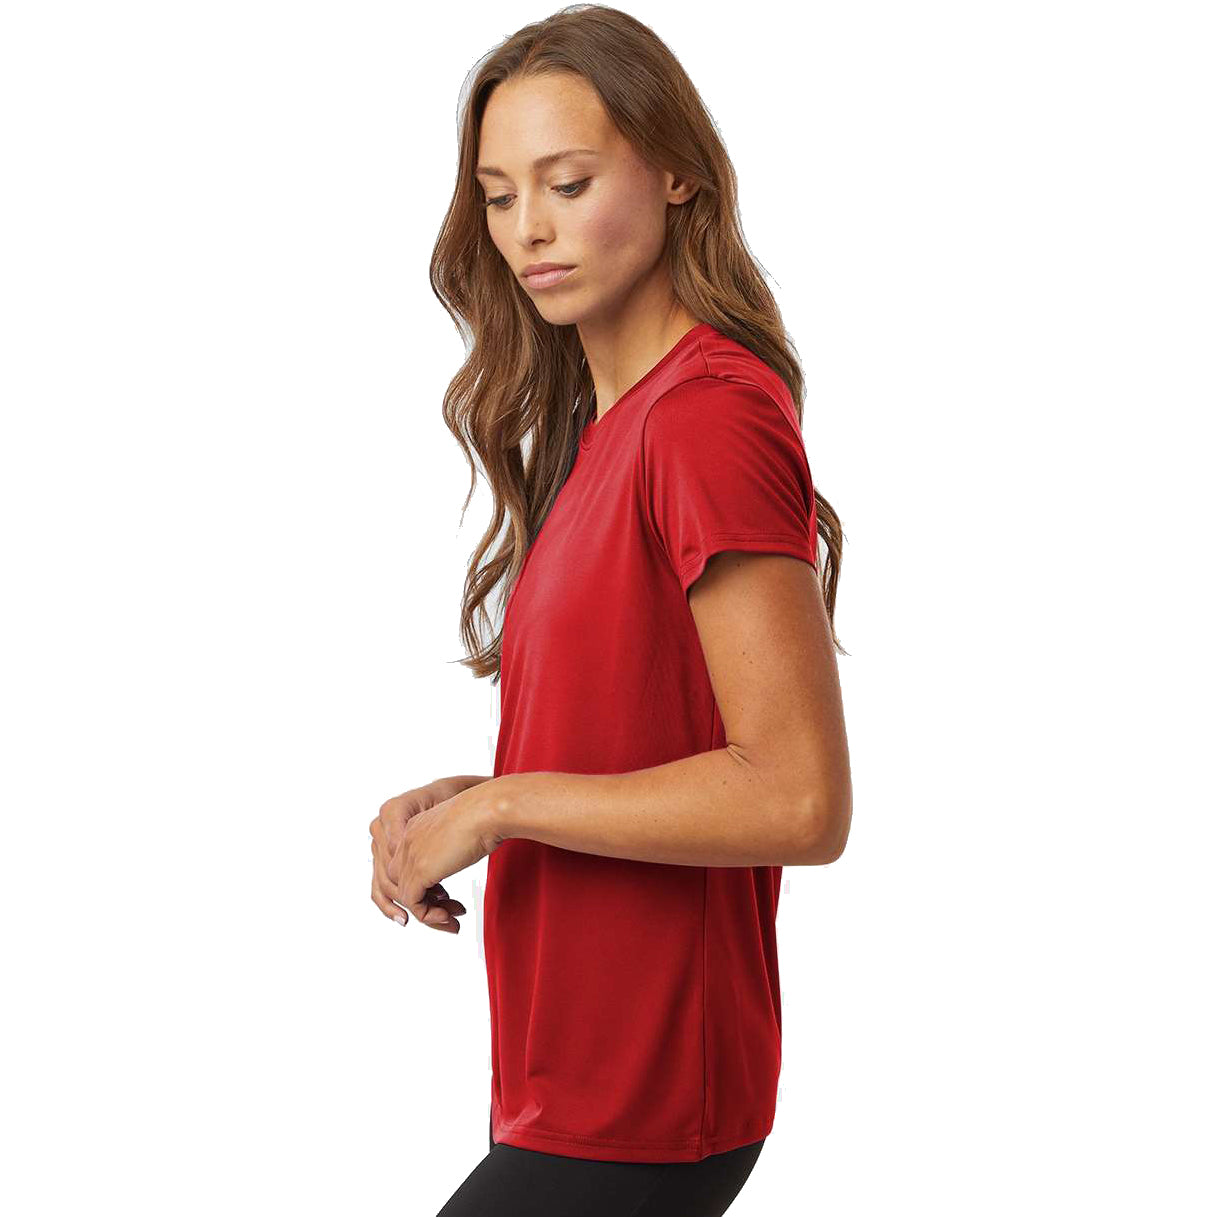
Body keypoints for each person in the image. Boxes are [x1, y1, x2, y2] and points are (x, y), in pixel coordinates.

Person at [367, 6, 852, 1215]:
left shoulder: (704, 418)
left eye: (568, 183)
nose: (527, 228)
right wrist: (473, 794)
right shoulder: (607, 434)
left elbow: (798, 796)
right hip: (566, 1076)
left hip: (647, 1095)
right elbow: (648, 735)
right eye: (497, 196)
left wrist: (504, 806)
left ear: (677, 170)